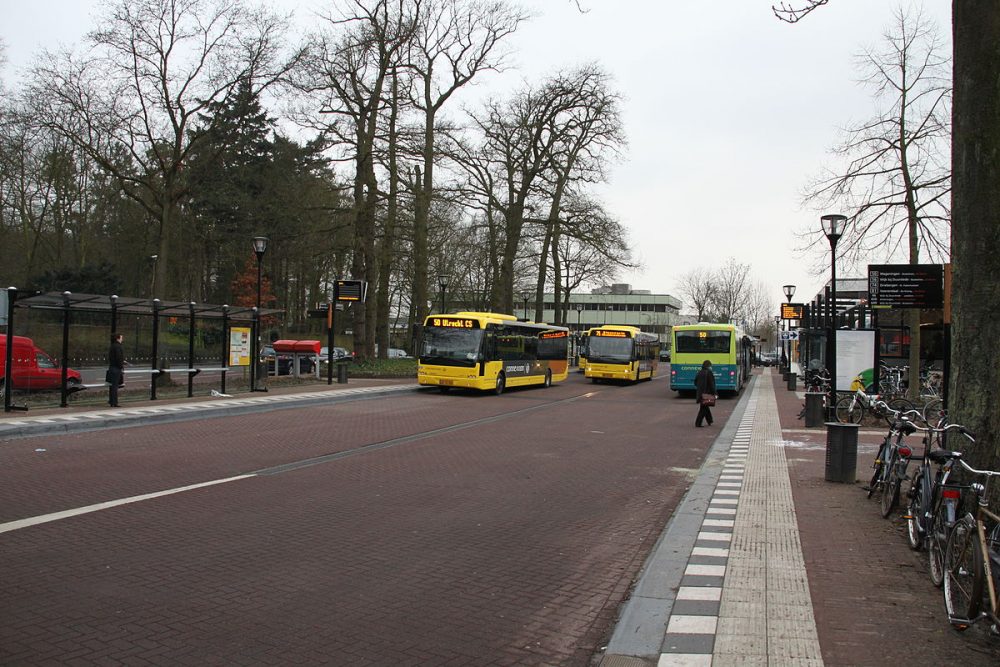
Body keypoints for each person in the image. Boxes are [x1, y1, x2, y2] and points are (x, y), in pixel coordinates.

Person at [694, 359, 716, 427]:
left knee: (705, 406)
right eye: (710, 366)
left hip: (700, 393)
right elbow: (712, 384)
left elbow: (695, 382)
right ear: (708, 366)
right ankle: (698, 423)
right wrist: (715, 393)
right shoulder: (709, 373)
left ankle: (710, 420)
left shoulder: (699, 372)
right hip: (706, 393)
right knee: (703, 408)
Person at [107, 333, 126, 407]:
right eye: (121, 338)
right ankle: (114, 402)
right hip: (116, 369)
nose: (122, 339)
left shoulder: (112, 346)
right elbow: (118, 358)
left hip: (112, 368)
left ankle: (111, 401)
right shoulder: (118, 347)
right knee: (115, 386)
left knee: (112, 386)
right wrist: (121, 366)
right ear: (118, 338)